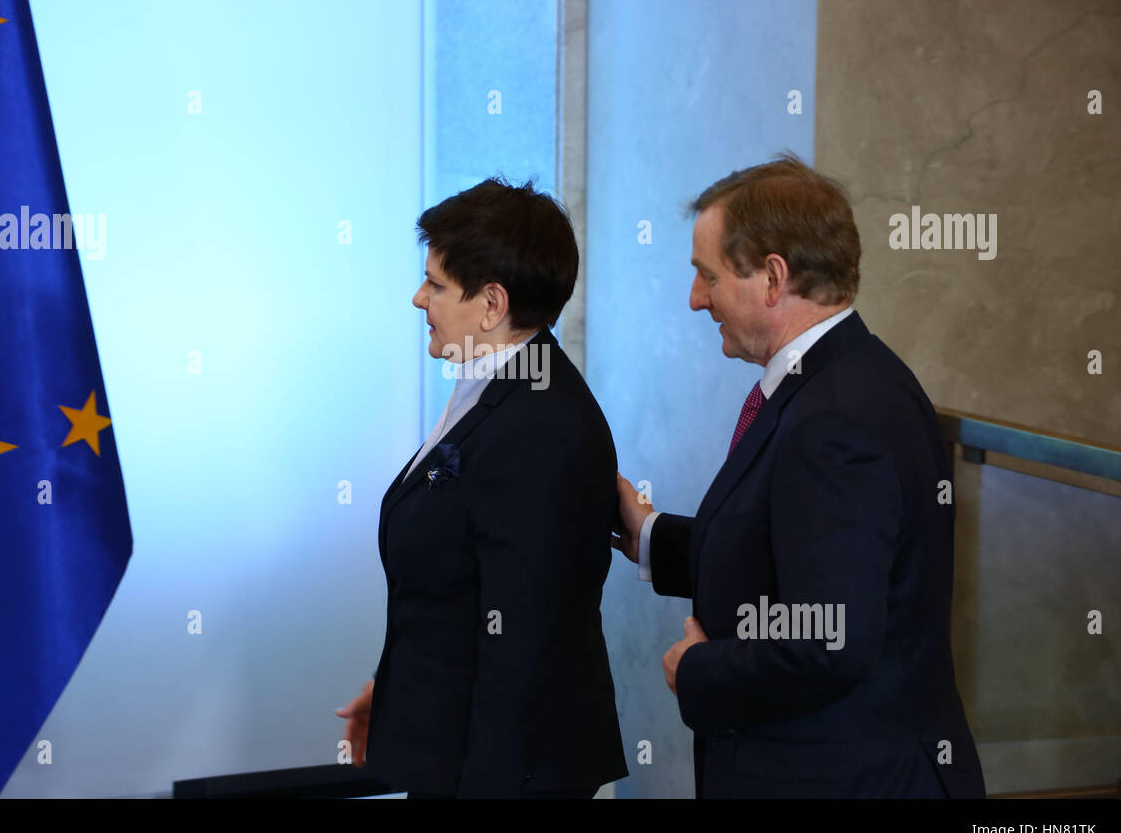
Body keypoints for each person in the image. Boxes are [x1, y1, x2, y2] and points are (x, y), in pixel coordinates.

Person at [613, 154, 985, 798]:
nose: (696, 299)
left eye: (706, 276)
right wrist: (649, 534)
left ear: (772, 278)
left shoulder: (834, 419)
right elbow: (791, 551)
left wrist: (701, 670)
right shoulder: (848, 378)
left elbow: (829, 639)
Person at [338, 177, 627, 798]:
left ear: (491, 305)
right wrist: (399, 695)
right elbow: (461, 593)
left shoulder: (538, 425)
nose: (419, 299)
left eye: (436, 284)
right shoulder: (499, 389)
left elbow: (523, 644)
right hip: (454, 748)